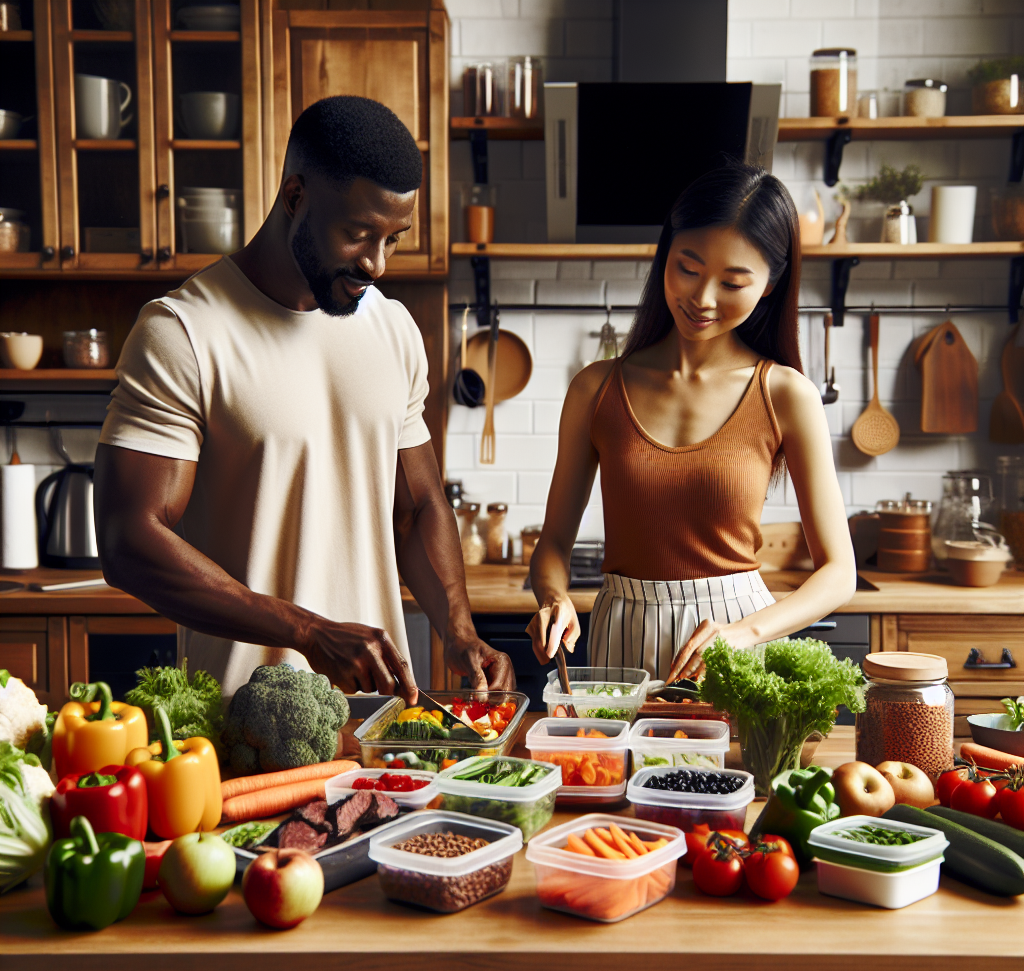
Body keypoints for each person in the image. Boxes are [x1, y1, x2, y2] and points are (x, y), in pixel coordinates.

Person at [95, 95, 513, 700]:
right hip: (240, 729)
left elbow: (417, 507)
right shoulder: (183, 331)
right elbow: (127, 539)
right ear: (295, 197)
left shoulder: (392, 328)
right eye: (358, 233)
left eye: (393, 239)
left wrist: (458, 629)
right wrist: (307, 632)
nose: (376, 263)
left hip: (376, 724)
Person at [527, 163, 856, 683]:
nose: (702, 299)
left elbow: (840, 574)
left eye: (732, 282)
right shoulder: (596, 389)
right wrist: (554, 599)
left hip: (734, 635)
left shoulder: (787, 394)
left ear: (770, 285)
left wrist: (744, 633)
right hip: (621, 633)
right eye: (688, 267)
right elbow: (552, 546)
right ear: (667, 255)